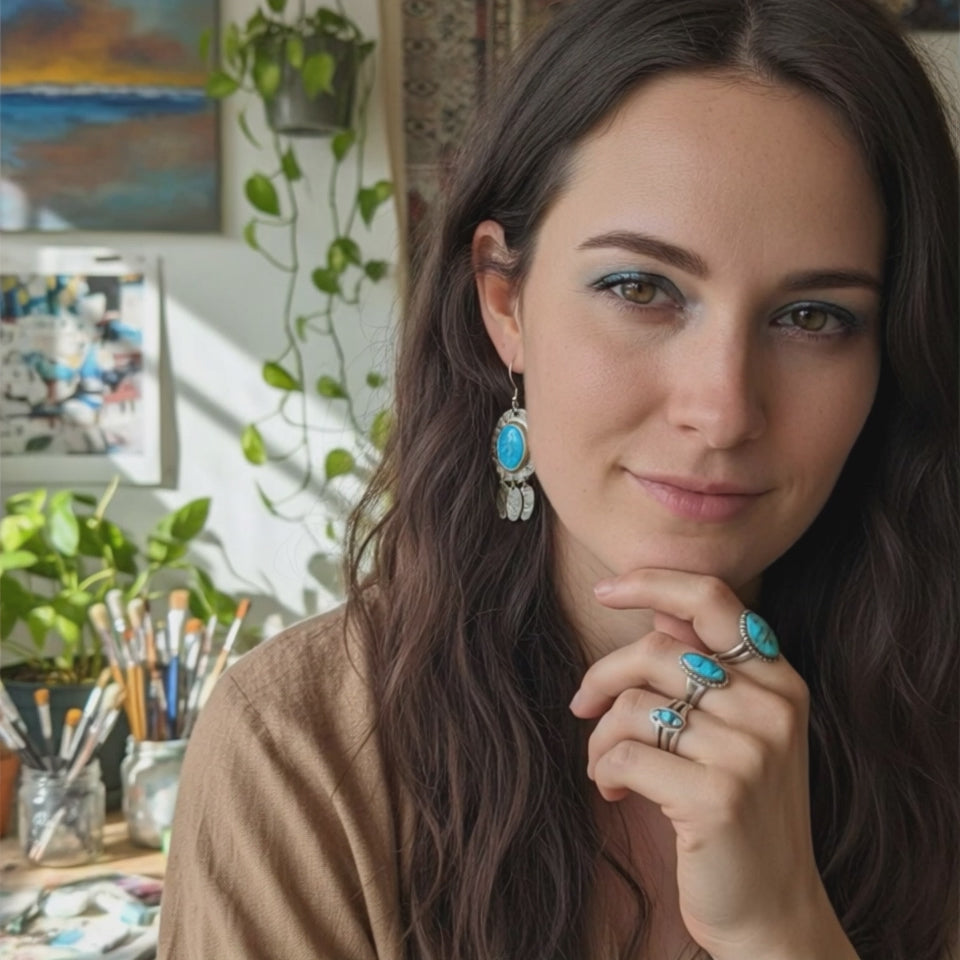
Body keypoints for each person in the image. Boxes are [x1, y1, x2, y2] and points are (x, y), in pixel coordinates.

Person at [158, 0, 959, 958]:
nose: (723, 409)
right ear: (505, 301)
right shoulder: (302, 748)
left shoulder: (938, 723)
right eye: (641, 289)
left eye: (815, 317)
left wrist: (782, 928)